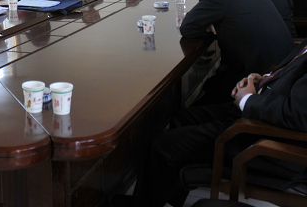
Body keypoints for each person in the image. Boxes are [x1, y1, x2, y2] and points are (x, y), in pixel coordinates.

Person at [110, 37, 307, 207]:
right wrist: (264, 80)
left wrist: (248, 99)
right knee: (182, 118)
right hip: (261, 112)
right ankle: (167, 199)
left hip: (267, 141)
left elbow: (299, 116)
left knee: (163, 146)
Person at [180, 0, 294, 105]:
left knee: (195, 106)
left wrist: (210, 24)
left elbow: (188, 27)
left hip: (254, 82)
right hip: (282, 73)